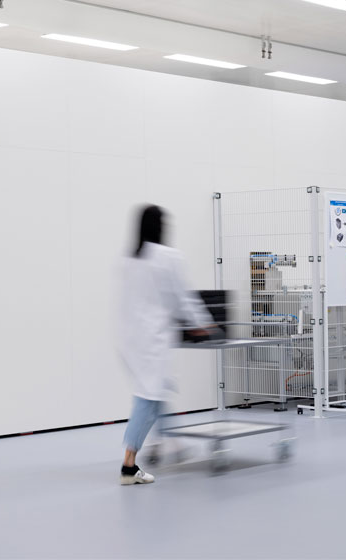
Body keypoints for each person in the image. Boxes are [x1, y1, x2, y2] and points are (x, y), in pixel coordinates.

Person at [117, 205, 213, 485]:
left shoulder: (129, 259)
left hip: (131, 341)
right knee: (147, 401)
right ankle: (128, 466)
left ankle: (173, 444)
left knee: (157, 393)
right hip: (152, 341)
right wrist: (203, 323)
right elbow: (182, 298)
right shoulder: (168, 257)